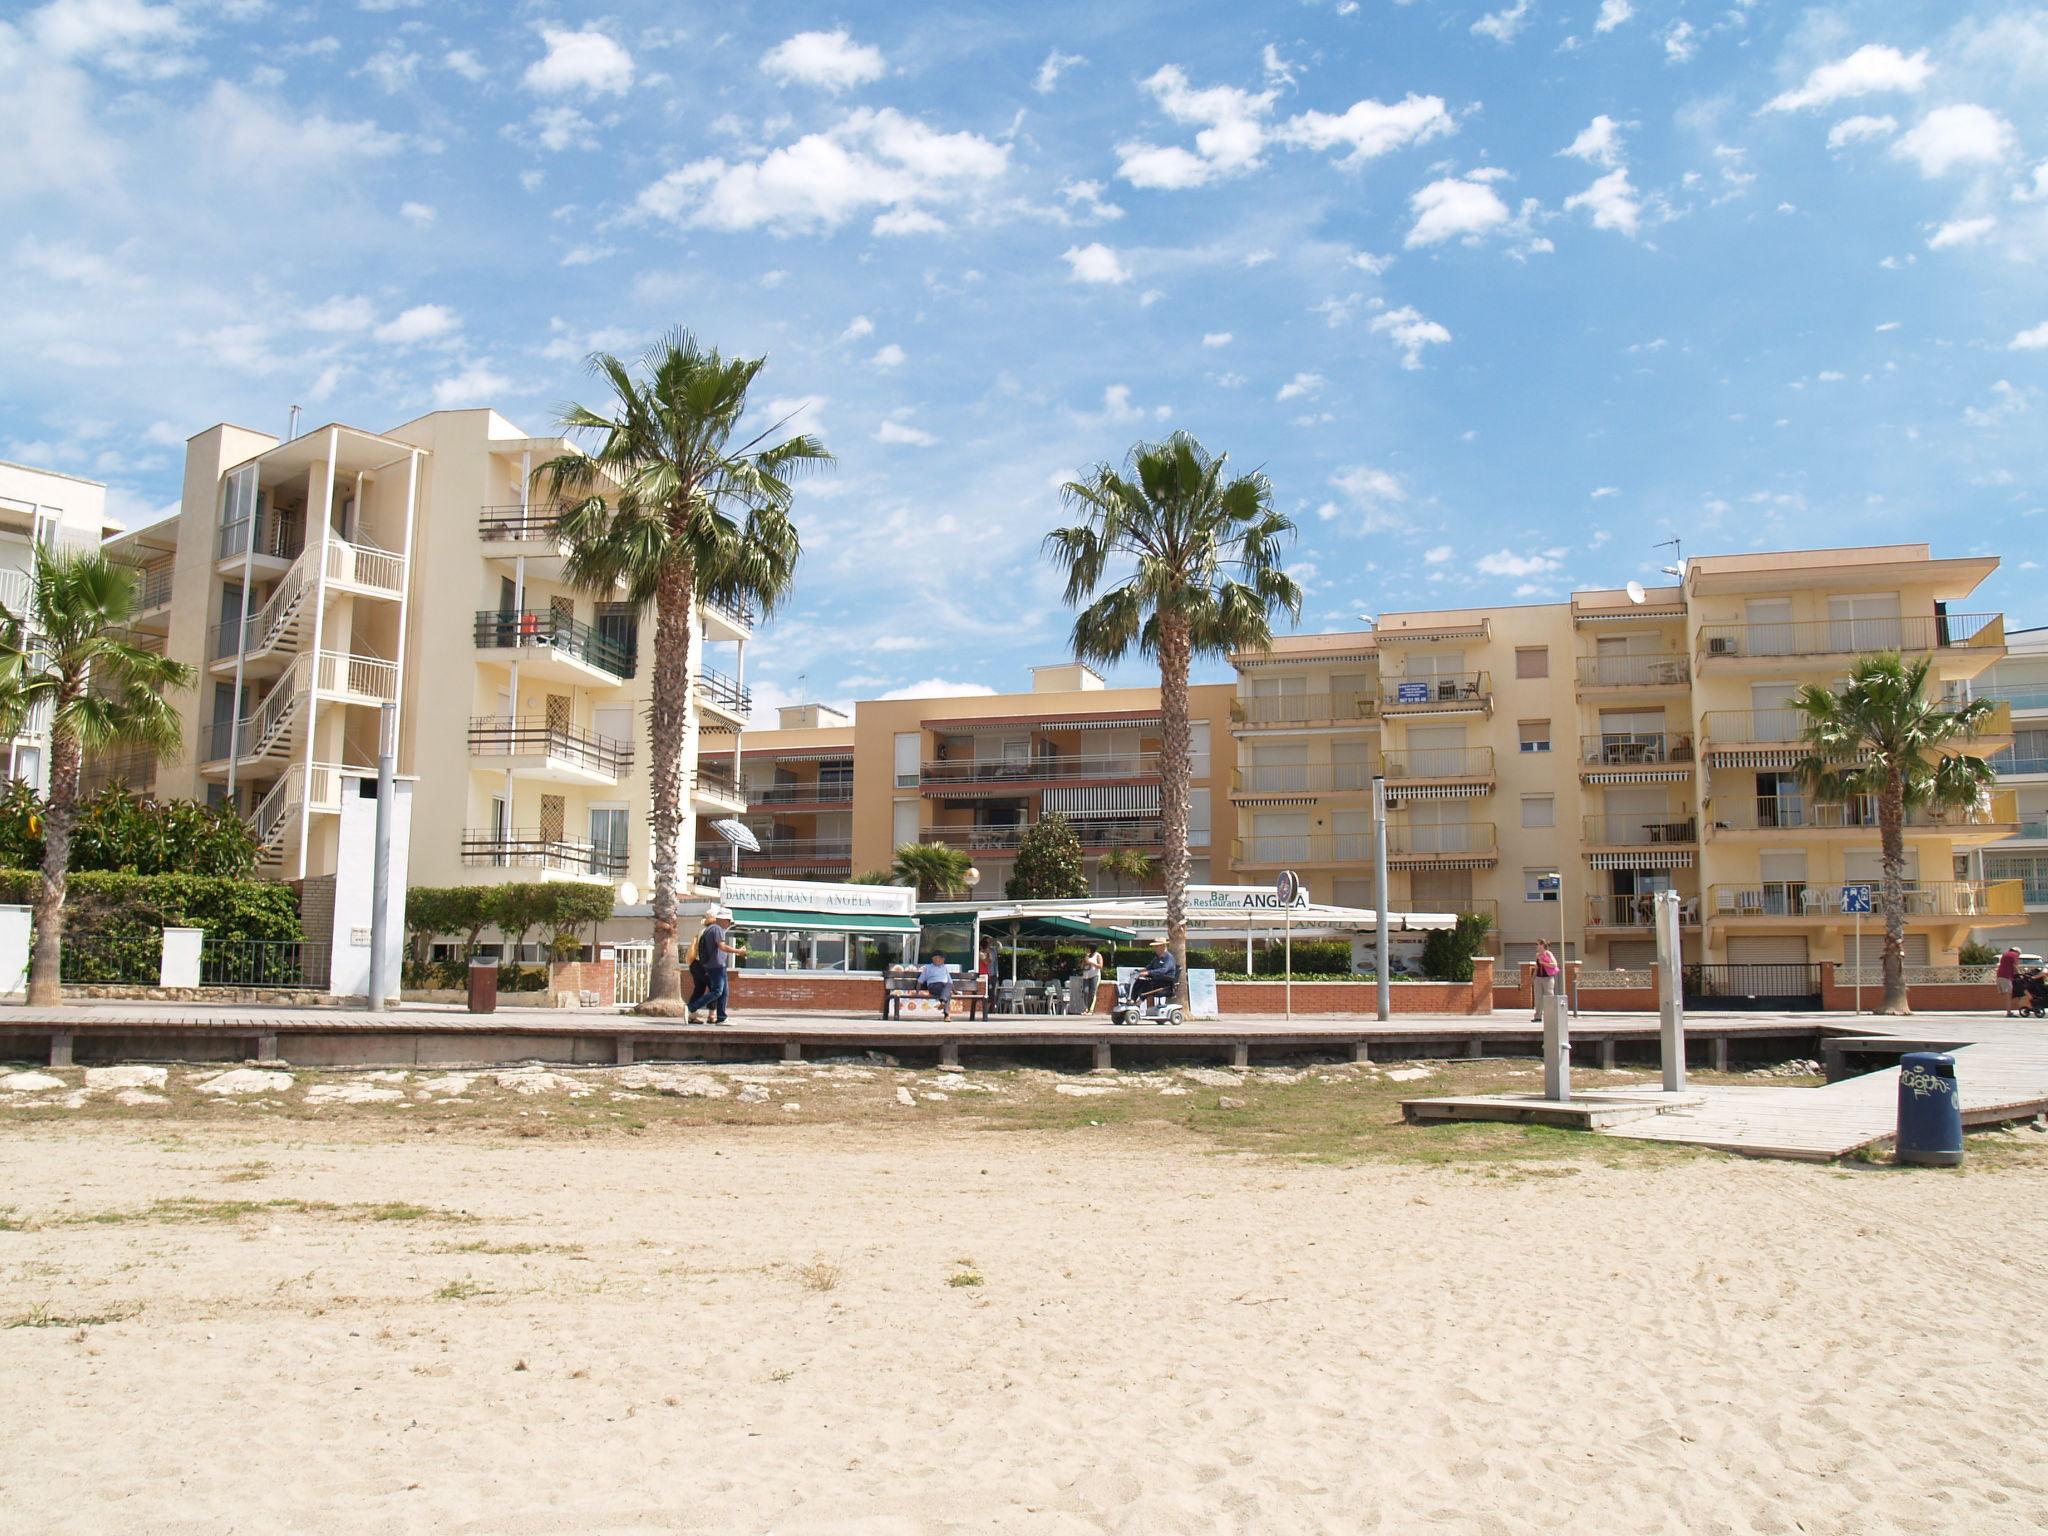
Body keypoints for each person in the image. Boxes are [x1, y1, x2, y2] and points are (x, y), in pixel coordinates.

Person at [688, 908, 746, 1024]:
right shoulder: (717, 929)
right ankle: (692, 1008)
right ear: (723, 919)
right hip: (715, 966)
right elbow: (722, 946)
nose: (729, 924)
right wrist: (738, 951)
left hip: (707, 965)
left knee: (720, 991)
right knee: (717, 991)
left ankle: (720, 1017)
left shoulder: (707, 930)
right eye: (729, 921)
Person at [1130, 938, 1179, 1009]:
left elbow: (1163, 970)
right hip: (1157, 979)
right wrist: (1139, 971)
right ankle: (1132, 1000)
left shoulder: (1168, 958)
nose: (1154, 948)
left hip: (1166, 982)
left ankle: (1138, 1003)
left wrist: (1148, 973)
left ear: (1163, 946)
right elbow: (1149, 967)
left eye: (1156, 946)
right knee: (1139, 980)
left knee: (1148, 983)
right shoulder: (1157, 958)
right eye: (1154, 946)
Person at [918, 951, 955, 1020]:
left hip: (944, 987)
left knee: (948, 988)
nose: (938, 960)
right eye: (935, 958)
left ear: (943, 960)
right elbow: (920, 981)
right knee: (948, 993)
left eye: (940, 958)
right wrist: (917, 992)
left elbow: (950, 981)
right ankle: (946, 1015)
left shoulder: (945, 967)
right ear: (932, 959)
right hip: (933, 986)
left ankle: (943, 1003)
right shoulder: (928, 967)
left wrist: (955, 991)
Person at [1531, 941, 1561, 1022]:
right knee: (1538, 998)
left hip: (1548, 978)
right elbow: (1537, 967)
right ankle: (1538, 1017)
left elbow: (1554, 964)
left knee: (1549, 997)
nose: (1537, 946)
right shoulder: (1537, 955)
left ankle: (1551, 1016)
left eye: (1538, 944)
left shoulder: (1548, 953)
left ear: (1543, 945)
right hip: (1538, 978)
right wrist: (1533, 978)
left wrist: (1543, 962)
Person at [1999, 944, 2024, 1016]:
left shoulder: (2005, 954)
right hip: (2006, 977)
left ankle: (2008, 1011)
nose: (2019, 956)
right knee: (2008, 995)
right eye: (2019, 954)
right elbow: (2014, 966)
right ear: (2017, 952)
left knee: (2008, 995)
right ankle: (2008, 1012)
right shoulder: (2014, 955)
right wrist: (2020, 975)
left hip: (2000, 976)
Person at [1080, 946, 1105, 1013]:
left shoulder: (1098, 955)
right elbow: (1081, 966)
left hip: (1094, 975)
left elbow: (1100, 966)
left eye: (1088, 948)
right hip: (1086, 976)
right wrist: (1084, 962)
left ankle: (1090, 1009)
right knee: (1085, 991)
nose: (1087, 950)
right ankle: (1085, 1008)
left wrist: (1091, 963)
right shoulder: (1087, 956)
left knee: (1092, 992)